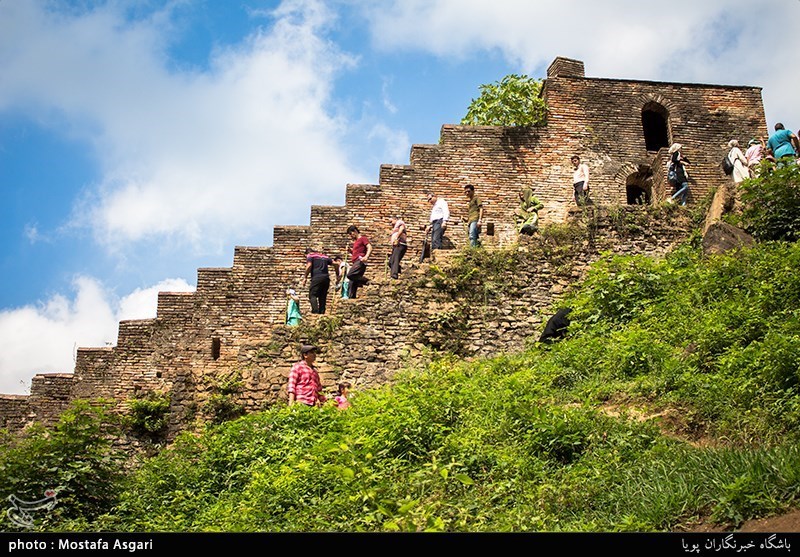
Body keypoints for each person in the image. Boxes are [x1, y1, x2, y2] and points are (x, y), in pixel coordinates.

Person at [304, 248, 339, 315]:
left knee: (312, 295)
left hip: (317, 277)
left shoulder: (310, 256)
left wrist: (305, 277)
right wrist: (337, 274)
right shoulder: (324, 256)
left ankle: (315, 312)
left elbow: (309, 266)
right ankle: (321, 313)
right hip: (326, 278)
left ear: (307, 253)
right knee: (322, 296)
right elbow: (336, 264)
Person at [346, 225, 372, 299]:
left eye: (351, 234)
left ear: (355, 231)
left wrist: (366, 256)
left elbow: (369, 247)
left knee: (350, 275)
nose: (351, 236)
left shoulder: (363, 239)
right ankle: (351, 301)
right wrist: (350, 251)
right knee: (351, 284)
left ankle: (366, 281)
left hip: (360, 261)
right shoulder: (356, 242)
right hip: (356, 262)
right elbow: (355, 253)